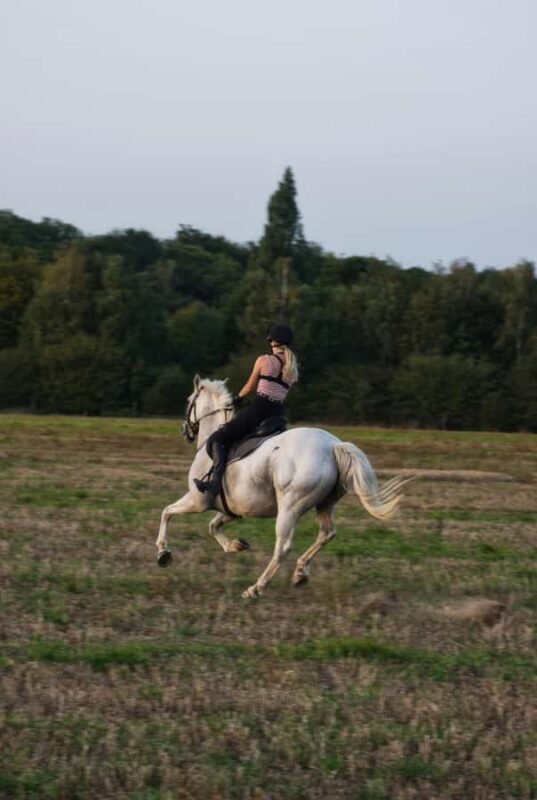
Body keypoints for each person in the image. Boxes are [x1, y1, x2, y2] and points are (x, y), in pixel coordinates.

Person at [194, 323, 299, 505]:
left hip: (258, 411)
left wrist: (237, 399)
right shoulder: (292, 367)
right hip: (277, 415)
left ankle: (214, 484)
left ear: (271, 340)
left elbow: (249, 387)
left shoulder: (265, 360)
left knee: (217, 438)